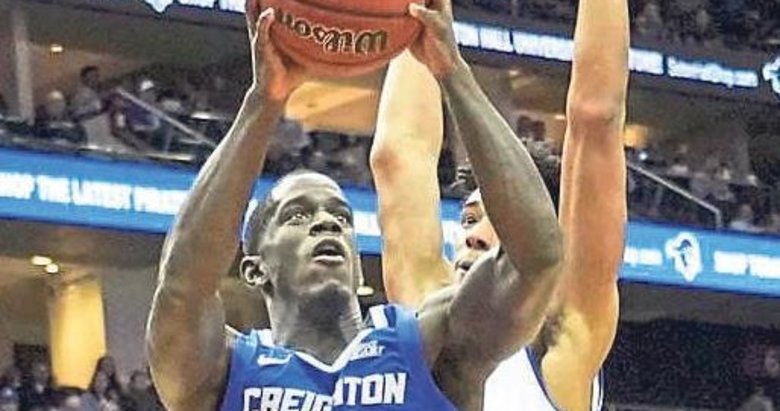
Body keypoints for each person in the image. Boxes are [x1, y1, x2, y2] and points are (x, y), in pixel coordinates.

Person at [145, 1, 562, 410]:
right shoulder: (223, 371)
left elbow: (536, 259)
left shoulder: (428, 345)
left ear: (360, 266)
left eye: (341, 218)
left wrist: (453, 72)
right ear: (256, 269)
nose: (326, 223)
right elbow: (181, 288)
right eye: (297, 216)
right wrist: (263, 103)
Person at [370, 0, 629, 408]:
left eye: (493, 221)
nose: (471, 236)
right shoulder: (426, 311)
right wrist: (418, 15)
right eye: (468, 219)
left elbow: (596, 115)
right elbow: (398, 156)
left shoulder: (561, 330)